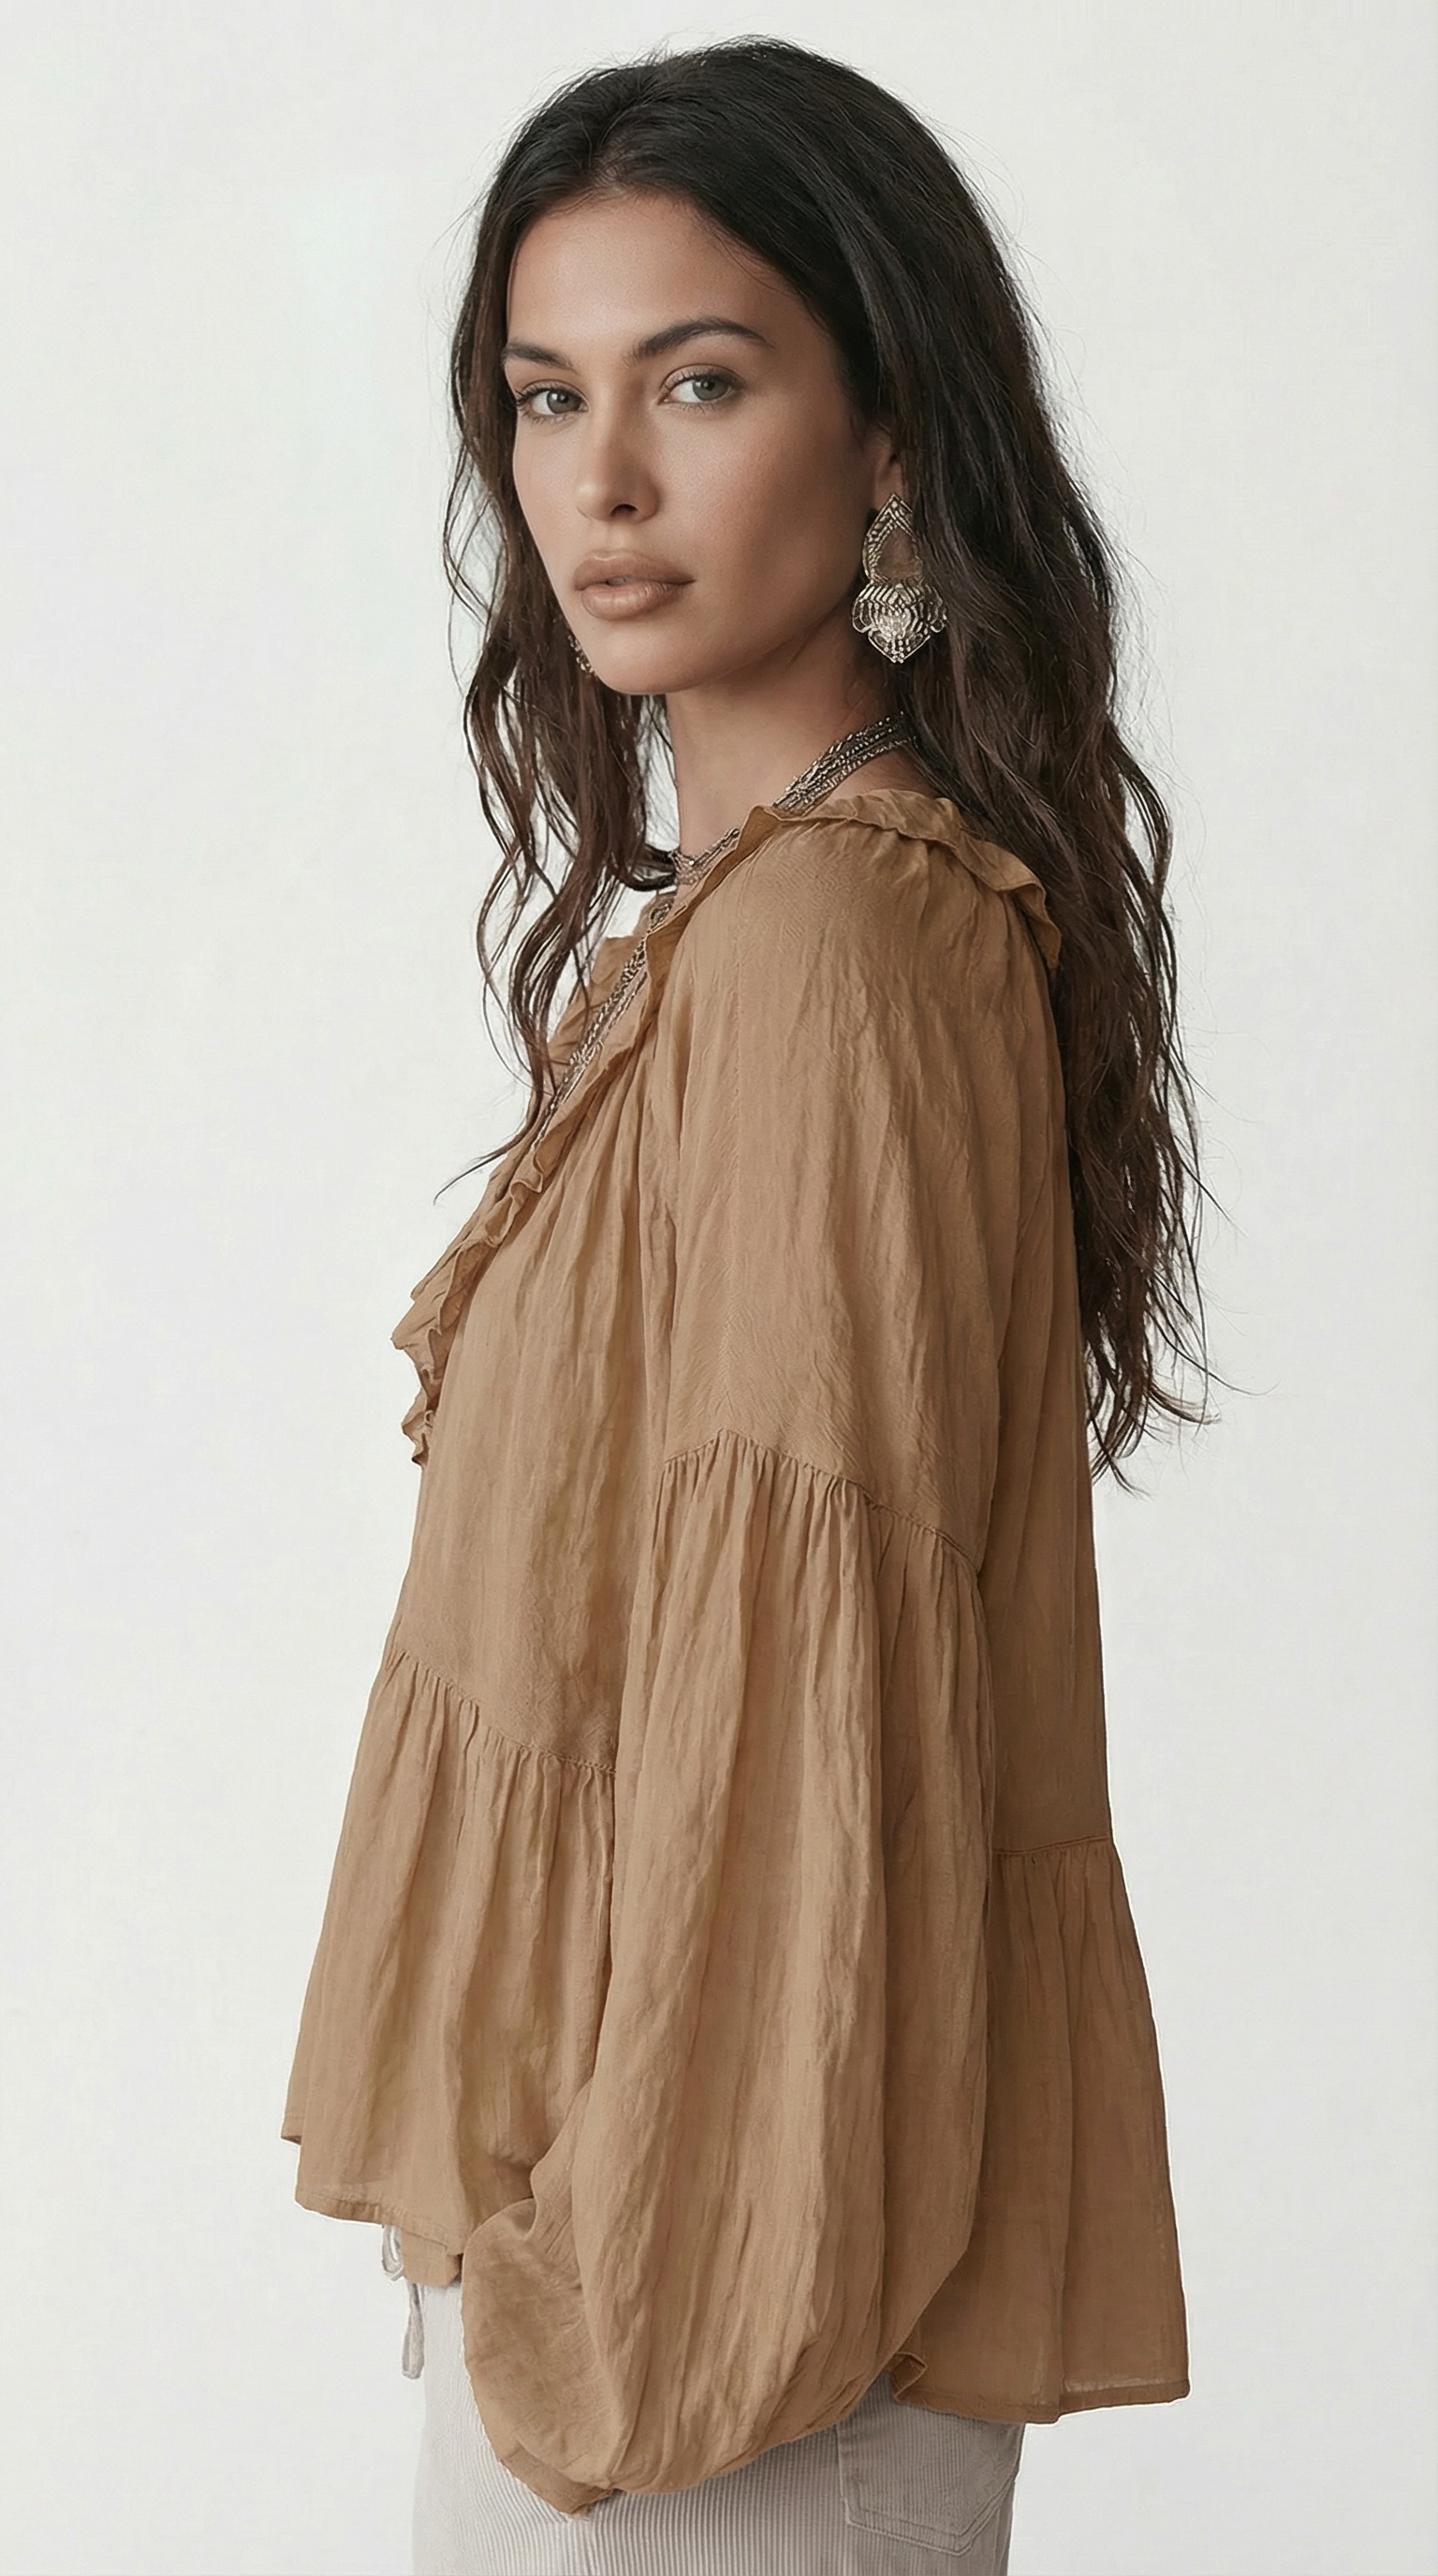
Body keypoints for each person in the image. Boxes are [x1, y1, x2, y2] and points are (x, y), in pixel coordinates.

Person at [282, 37, 1207, 2574]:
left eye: (700, 381)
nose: (599, 483)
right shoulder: (737, 937)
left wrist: (632, 2319)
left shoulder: (827, 947)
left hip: (723, 2322)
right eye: (544, 396)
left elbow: (814, 1690)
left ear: (890, 432)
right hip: (649, 2230)